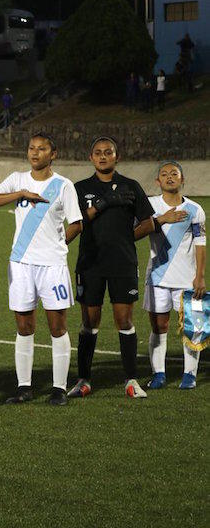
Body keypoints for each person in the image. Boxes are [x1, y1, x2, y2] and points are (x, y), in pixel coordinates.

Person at [0, 133, 83, 405]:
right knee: (24, 326)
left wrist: (59, 243)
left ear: (54, 153)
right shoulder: (17, 179)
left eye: (42, 149)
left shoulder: (64, 186)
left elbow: (76, 223)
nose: (35, 153)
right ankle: (24, 387)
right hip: (21, 264)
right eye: (31, 148)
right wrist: (20, 194)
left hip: (52, 266)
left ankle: (59, 388)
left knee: (57, 327)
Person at [69, 136, 162, 399]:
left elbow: (148, 221)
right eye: (97, 152)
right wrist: (101, 205)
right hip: (90, 263)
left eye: (107, 152)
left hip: (123, 263)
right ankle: (84, 379)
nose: (102, 156)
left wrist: (126, 237)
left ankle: (131, 380)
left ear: (116, 157)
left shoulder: (131, 187)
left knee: (124, 319)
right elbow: (75, 223)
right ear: (91, 158)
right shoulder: (79, 188)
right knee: (90, 320)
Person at [137, 161, 206, 390]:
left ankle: (190, 375)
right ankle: (159, 374)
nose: (169, 177)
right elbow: (134, 233)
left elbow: (200, 242)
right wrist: (161, 220)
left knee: (192, 328)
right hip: (157, 278)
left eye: (174, 174)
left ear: (182, 179)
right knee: (159, 327)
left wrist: (200, 276)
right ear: (157, 181)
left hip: (187, 280)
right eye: (164, 174)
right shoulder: (150, 206)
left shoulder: (195, 210)